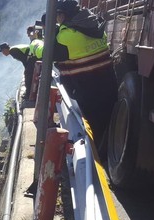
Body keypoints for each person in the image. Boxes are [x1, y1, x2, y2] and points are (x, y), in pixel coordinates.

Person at [53, 0, 117, 152]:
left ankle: (100, 159)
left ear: (63, 15)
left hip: (86, 88)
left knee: (96, 127)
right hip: (108, 81)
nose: (56, 19)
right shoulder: (96, 26)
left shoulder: (65, 37)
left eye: (57, 15)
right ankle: (110, 148)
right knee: (110, 119)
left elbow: (50, 54)